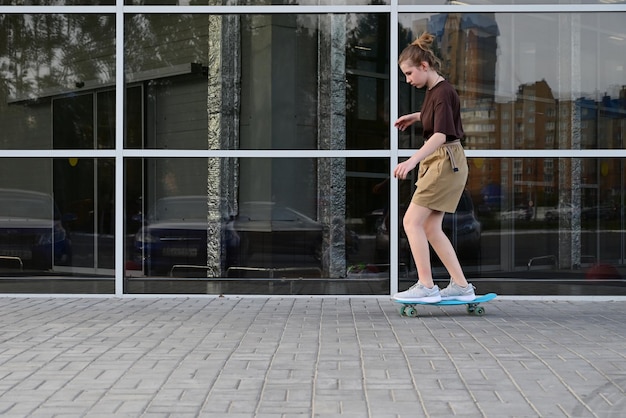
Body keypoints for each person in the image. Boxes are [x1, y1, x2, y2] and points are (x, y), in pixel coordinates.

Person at [392, 32, 476, 303]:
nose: (407, 80)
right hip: (445, 162)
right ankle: (462, 287)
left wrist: (411, 160)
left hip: (443, 161)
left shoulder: (442, 92)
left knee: (411, 221)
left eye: (409, 73)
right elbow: (439, 117)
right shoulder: (436, 91)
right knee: (429, 227)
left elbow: (440, 134)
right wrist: (416, 117)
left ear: (424, 67)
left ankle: (426, 286)